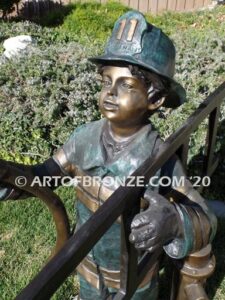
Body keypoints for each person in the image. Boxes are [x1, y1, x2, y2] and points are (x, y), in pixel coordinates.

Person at [0, 11, 217, 300]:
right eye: (106, 81)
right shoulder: (83, 138)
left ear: (155, 99)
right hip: (88, 268)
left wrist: (174, 221)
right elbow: (45, 176)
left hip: (135, 279)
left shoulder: (158, 158)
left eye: (126, 85)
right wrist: (10, 178)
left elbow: (205, 217)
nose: (110, 93)